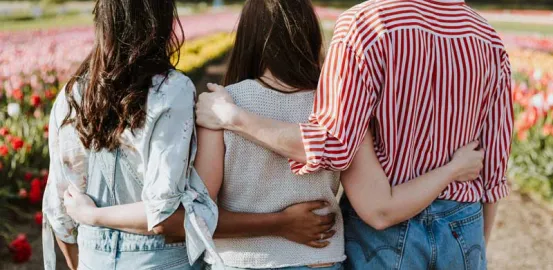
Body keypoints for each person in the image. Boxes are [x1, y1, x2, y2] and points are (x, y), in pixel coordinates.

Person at [195, 0, 514, 269]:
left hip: (388, 232)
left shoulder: (366, 23)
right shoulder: (487, 36)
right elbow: (494, 167)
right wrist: (475, 244)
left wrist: (234, 118)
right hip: (464, 227)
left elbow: (334, 142)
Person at [42, 1, 219, 269]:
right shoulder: (171, 90)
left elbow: (59, 209)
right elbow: (161, 212)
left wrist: (86, 247)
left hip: (93, 256)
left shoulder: (73, 94)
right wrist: (96, 217)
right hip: (158, 259)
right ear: (158, 21)